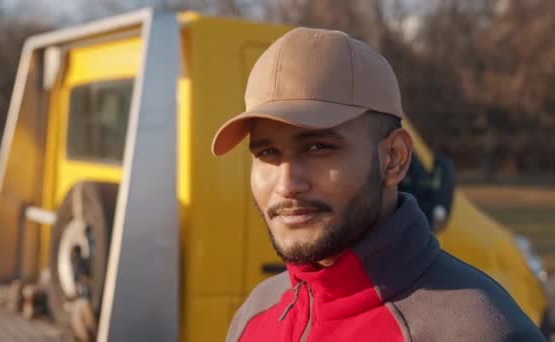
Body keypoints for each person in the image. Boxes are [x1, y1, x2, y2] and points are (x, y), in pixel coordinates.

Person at [211, 27, 545, 342]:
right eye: (267, 153)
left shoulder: (476, 330)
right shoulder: (256, 314)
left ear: (394, 158)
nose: (287, 184)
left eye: (318, 147)